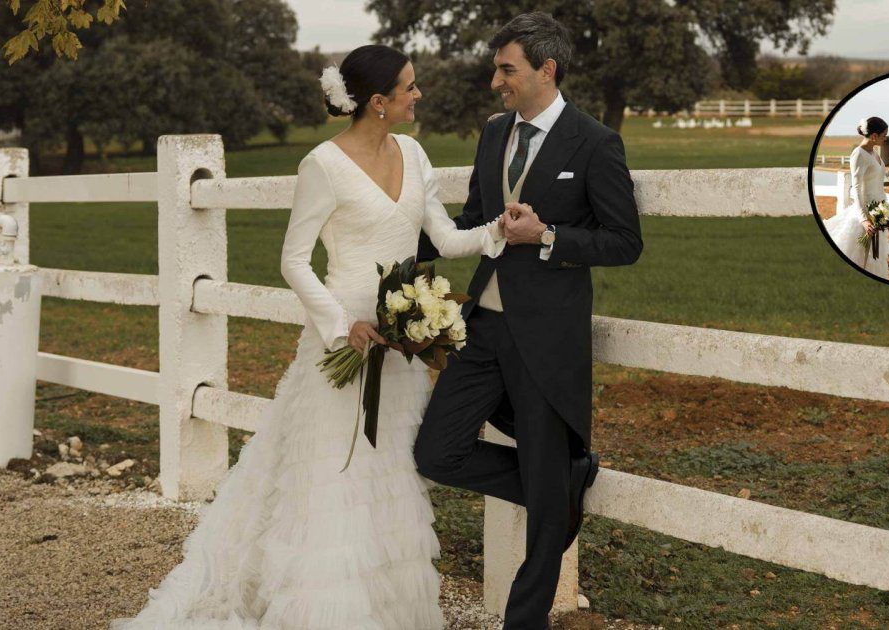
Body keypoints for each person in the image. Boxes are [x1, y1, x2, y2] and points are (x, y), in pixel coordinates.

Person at [110, 44, 508, 629]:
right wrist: (337, 325)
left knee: (390, 468)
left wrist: (500, 230)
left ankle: (387, 610)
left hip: (401, 339)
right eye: (410, 87)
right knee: (337, 472)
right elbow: (294, 259)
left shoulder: (416, 154)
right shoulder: (322, 164)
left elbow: (444, 240)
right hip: (344, 336)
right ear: (378, 102)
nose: (418, 95)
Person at [412, 12, 643, 630]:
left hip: (547, 337)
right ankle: (563, 486)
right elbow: (472, 220)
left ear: (547, 69)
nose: (496, 81)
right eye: (496, 69)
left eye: (506, 69)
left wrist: (549, 236)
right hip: (482, 327)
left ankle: (524, 619)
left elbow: (624, 241)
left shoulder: (595, 142)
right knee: (436, 451)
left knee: (542, 500)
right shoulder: (494, 134)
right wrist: (397, 245)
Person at [823, 115, 889, 279]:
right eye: (884, 135)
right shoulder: (859, 154)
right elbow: (856, 188)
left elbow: (877, 179)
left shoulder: (874, 153)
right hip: (865, 212)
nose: (885, 139)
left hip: (879, 209)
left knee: (874, 255)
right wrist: (864, 219)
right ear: (874, 136)